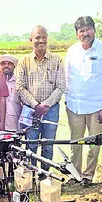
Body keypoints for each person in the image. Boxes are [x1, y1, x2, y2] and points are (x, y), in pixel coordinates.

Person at [65, 16, 102, 185]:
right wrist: (67, 100)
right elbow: (67, 77)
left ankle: (88, 176)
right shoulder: (72, 51)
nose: (85, 33)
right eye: (81, 31)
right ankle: (75, 174)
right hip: (75, 106)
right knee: (75, 143)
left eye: (88, 29)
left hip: (97, 108)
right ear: (77, 34)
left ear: (94, 30)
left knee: (94, 143)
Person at [15, 26, 65, 169]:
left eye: (44, 37)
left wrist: (46, 105)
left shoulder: (57, 60)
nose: (41, 40)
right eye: (37, 37)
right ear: (31, 40)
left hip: (51, 110)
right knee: (31, 145)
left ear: (47, 39)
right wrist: (36, 105)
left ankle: (44, 176)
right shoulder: (24, 61)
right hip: (31, 110)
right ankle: (31, 177)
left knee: (48, 144)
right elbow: (20, 87)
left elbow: (61, 86)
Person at [0, 54, 21, 131]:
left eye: (9, 64)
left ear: (14, 66)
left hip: (13, 123)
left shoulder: (19, 82)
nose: (6, 66)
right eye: (3, 64)